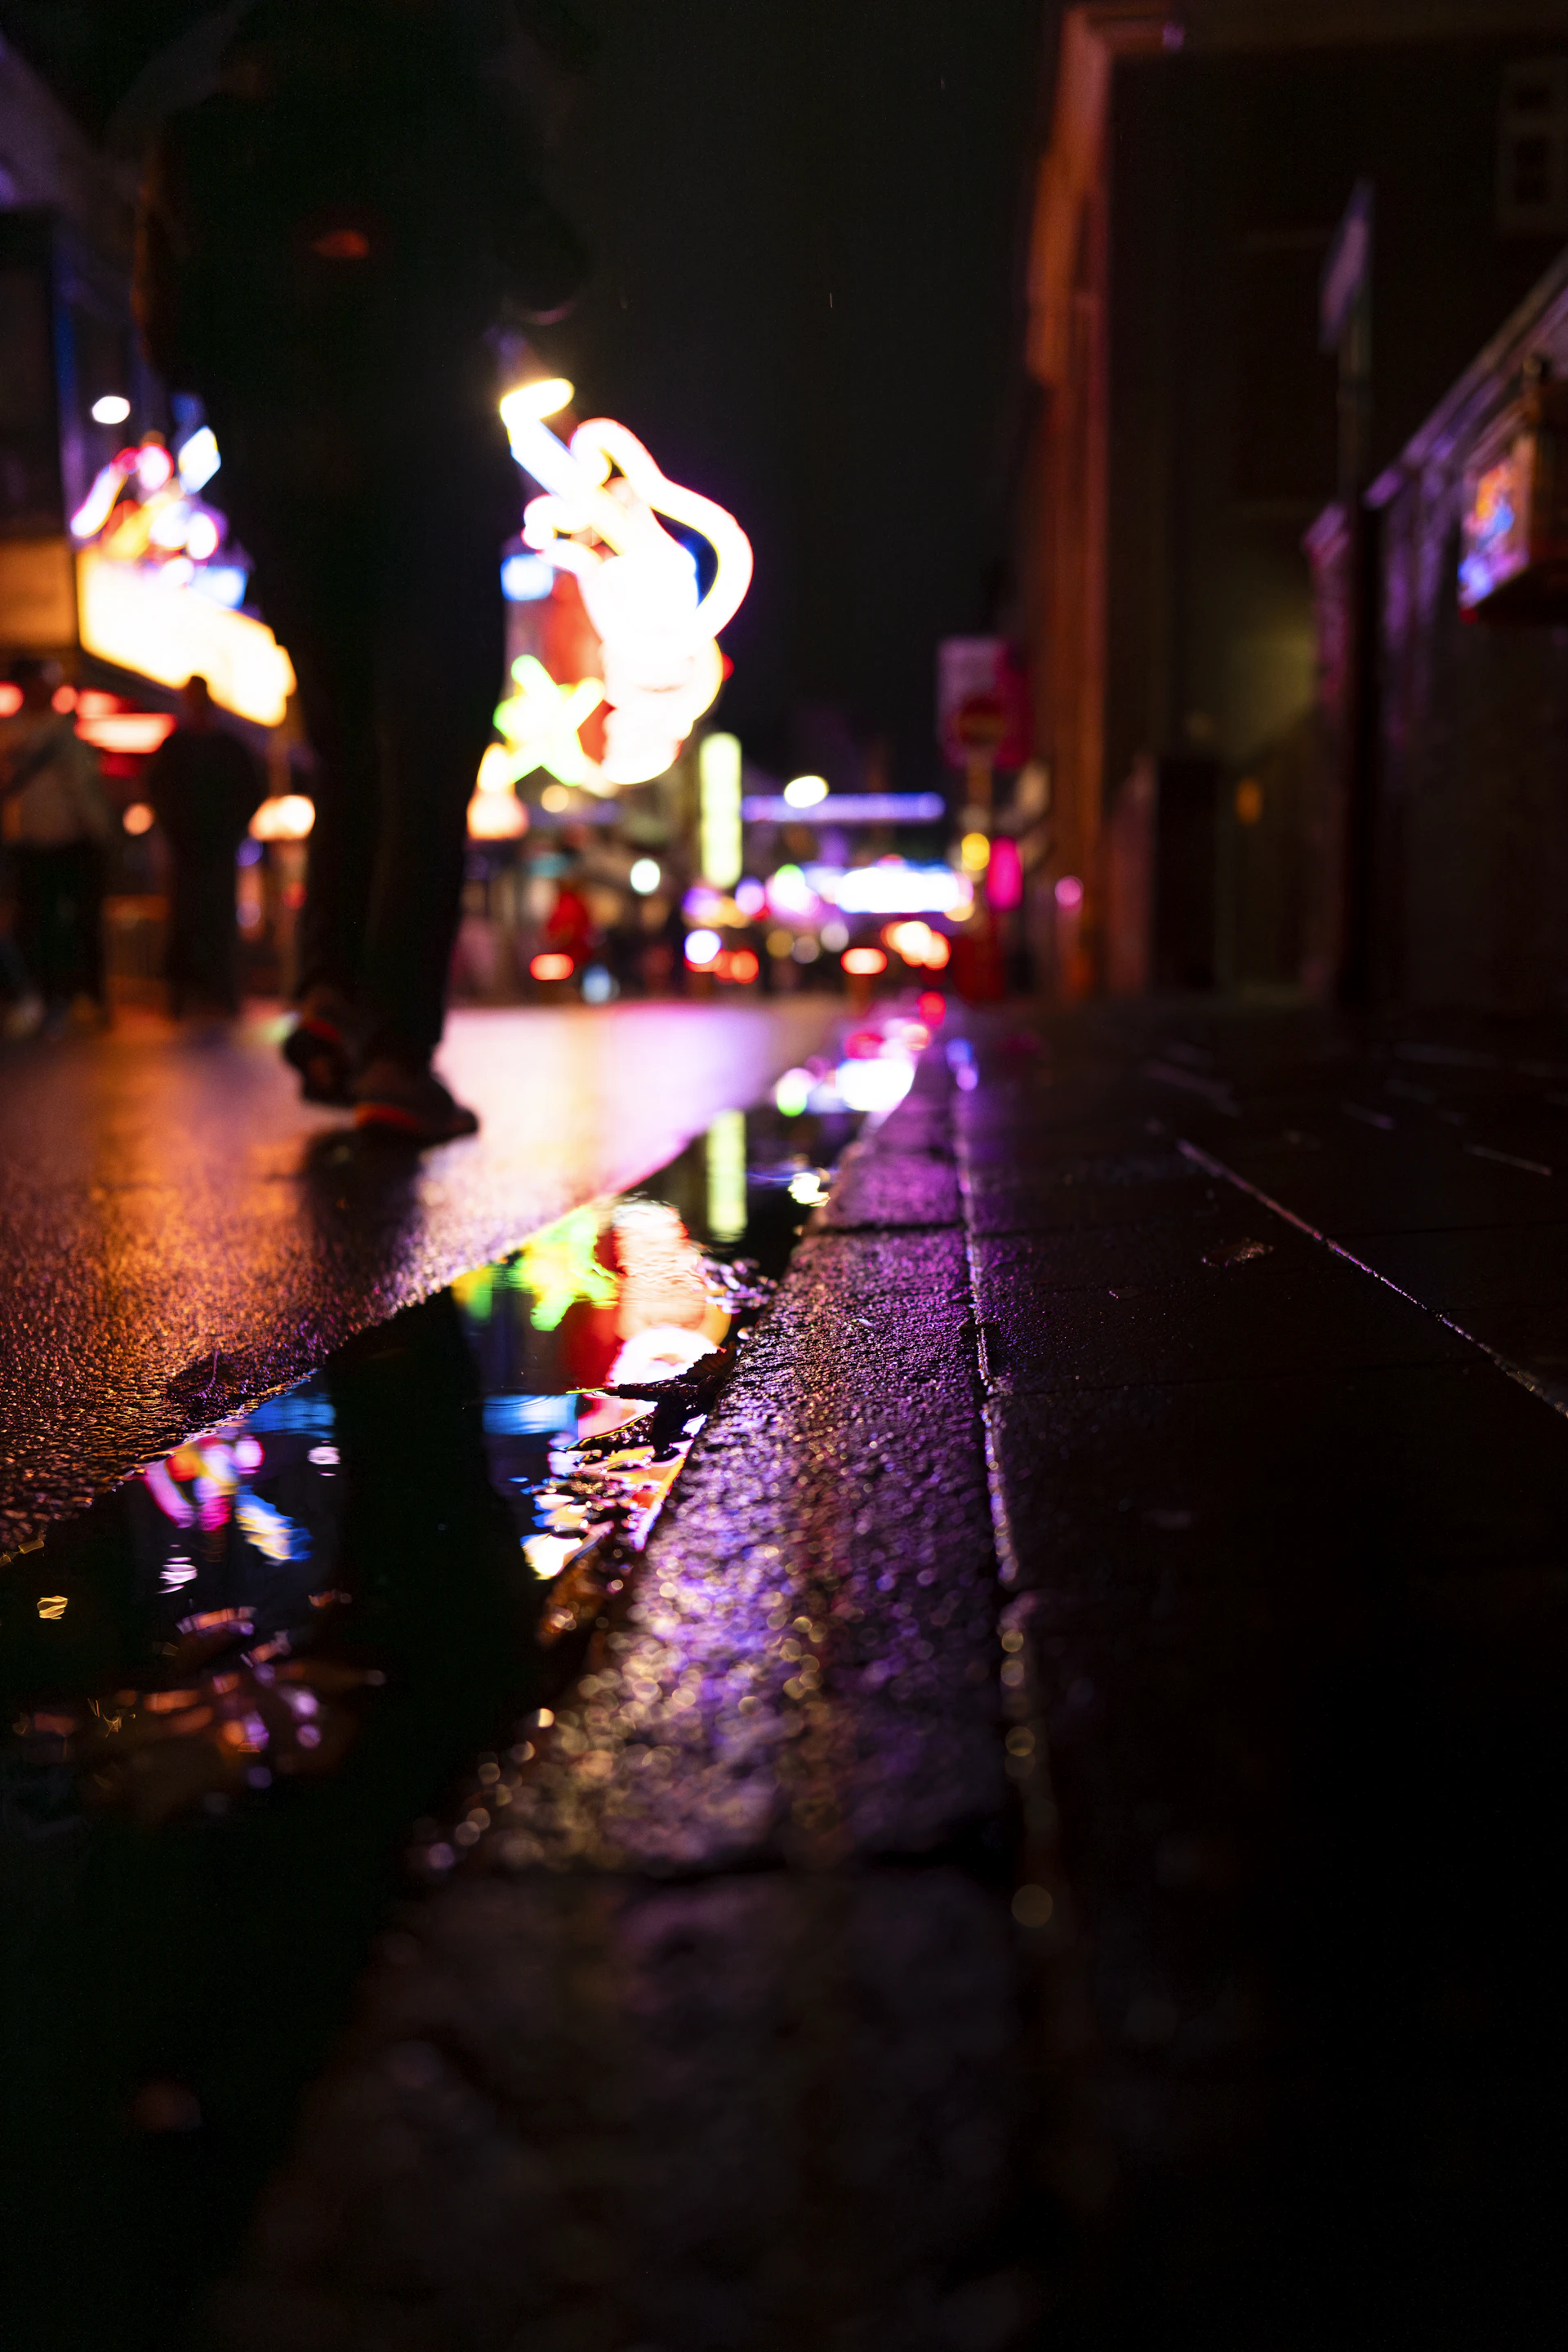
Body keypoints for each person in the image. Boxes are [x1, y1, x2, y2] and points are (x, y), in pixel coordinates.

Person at [134, 0, 586, 1141]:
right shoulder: (446, 106)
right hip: (429, 474)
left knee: (343, 746)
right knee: (430, 758)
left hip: (285, 492)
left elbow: (169, 339)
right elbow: (551, 269)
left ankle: (331, 993)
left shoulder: (203, 143)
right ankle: (396, 1051)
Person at [0, 660, 117, 1032]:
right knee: (41, 924)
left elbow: (83, 790)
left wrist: (97, 832)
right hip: (33, 844)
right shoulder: (23, 732)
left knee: (70, 924)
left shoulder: (51, 732)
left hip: (66, 843)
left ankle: (73, 997)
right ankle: (47, 998)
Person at [143, 675, 265, 1018]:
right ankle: (187, 995)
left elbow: (252, 791)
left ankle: (218, 993)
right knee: (188, 919)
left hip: (215, 850)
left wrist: (232, 829)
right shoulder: (182, 747)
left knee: (215, 919)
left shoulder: (224, 747)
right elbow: (156, 790)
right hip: (189, 849)